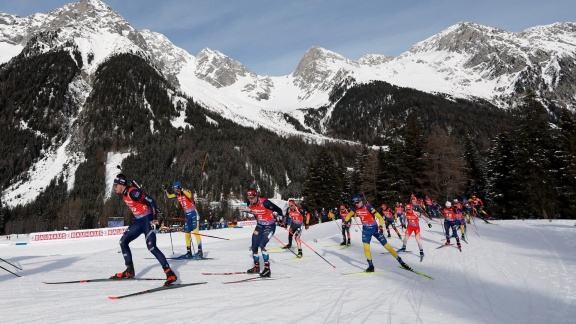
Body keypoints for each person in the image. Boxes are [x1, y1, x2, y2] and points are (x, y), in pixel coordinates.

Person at [109, 174, 177, 286]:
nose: (114, 187)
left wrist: (155, 220)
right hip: (138, 221)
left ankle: (170, 273)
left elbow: (152, 201)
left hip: (147, 221)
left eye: (116, 185)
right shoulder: (124, 193)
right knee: (123, 242)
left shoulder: (132, 192)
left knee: (151, 247)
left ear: (122, 184)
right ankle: (129, 271)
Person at [344, 194, 411, 272]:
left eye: (358, 202)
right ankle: (371, 266)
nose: (357, 204)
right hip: (366, 231)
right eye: (355, 203)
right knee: (366, 248)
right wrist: (346, 221)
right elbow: (348, 216)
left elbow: (380, 217)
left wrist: (380, 226)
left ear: (361, 201)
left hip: (375, 229)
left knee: (387, 247)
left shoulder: (368, 207)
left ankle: (401, 262)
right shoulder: (354, 209)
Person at [246, 188, 284, 277]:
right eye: (249, 198)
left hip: (270, 226)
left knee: (262, 244)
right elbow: (256, 214)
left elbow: (279, 210)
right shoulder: (249, 204)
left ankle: (267, 269)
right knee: (254, 246)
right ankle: (257, 267)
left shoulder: (265, 203)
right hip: (260, 226)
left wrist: (281, 219)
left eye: (252, 198)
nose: (250, 200)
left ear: (256, 196)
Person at [164, 181, 203, 259]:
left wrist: (182, 189)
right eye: (175, 189)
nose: (176, 191)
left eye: (177, 189)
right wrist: (165, 191)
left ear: (180, 188)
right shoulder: (176, 194)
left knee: (196, 233)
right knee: (187, 233)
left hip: (194, 214)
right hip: (187, 216)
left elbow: (190, 195)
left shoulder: (186, 191)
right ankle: (189, 252)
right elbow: (169, 196)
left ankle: (200, 251)